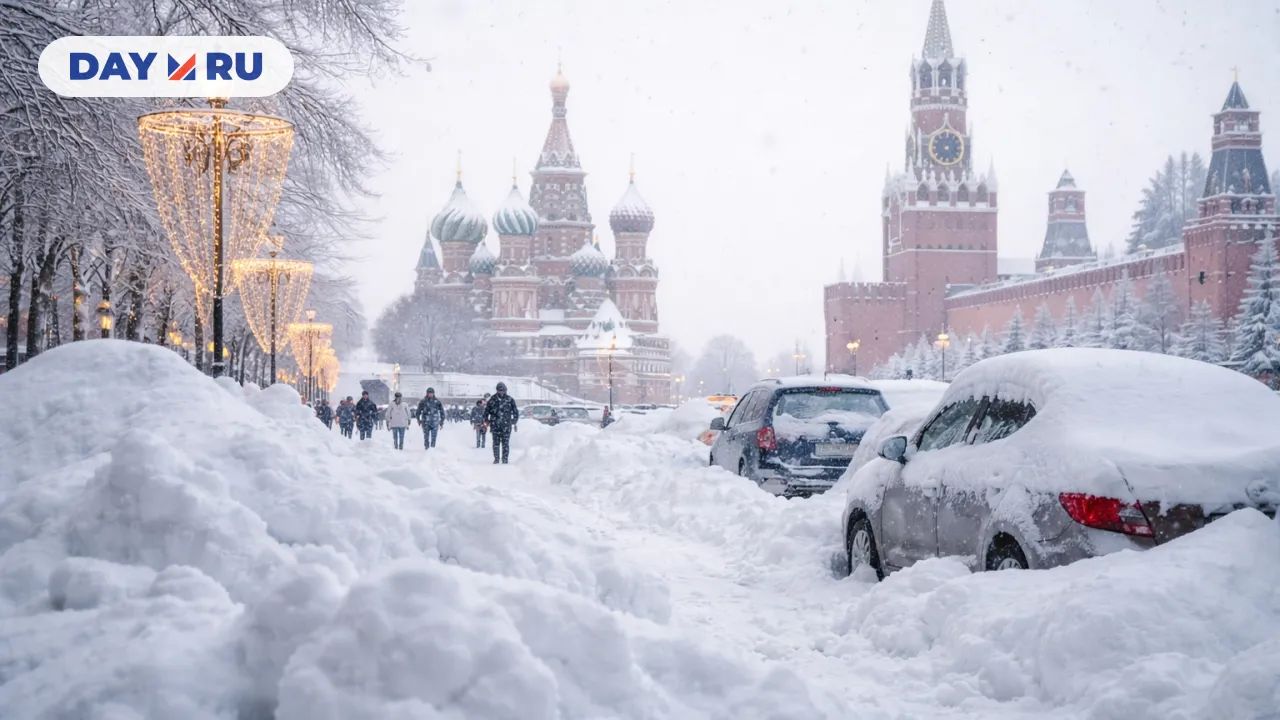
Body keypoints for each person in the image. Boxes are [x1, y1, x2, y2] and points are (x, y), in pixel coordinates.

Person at [483, 382, 519, 464]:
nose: (501, 392)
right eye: (500, 390)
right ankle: (496, 459)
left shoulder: (510, 400)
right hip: (495, 425)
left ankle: (505, 459)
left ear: (505, 390)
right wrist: (486, 421)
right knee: (496, 443)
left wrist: (514, 420)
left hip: (506, 426)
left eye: (503, 390)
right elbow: (486, 412)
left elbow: (515, 411)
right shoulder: (492, 400)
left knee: (505, 444)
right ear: (497, 390)